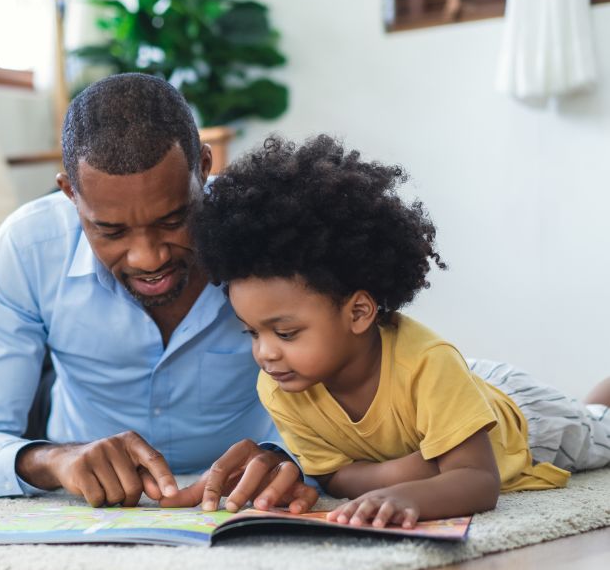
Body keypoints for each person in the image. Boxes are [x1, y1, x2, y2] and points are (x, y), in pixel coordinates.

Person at [0, 73, 317, 513]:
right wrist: (56, 459)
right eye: (111, 230)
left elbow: (359, 391)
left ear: (204, 169)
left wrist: (289, 456)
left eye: (173, 221)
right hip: (76, 448)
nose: (148, 258)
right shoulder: (27, 248)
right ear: (70, 194)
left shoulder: (274, 238)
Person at [191, 133, 610, 528]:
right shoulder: (280, 386)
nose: (265, 353)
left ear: (358, 312)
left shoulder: (427, 363)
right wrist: (410, 471)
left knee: (599, 429)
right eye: (252, 333)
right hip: (458, 392)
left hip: (527, 421)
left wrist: (412, 495)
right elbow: (334, 477)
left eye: (285, 333)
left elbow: (479, 481)